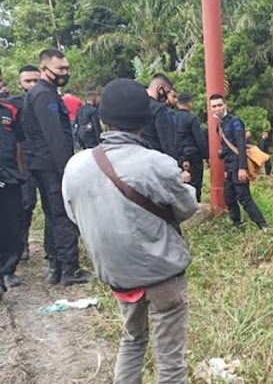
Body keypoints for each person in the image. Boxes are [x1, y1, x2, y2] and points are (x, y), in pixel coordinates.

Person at [62, 78, 197, 383]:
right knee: (170, 362)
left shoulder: (76, 165)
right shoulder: (157, 163)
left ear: (101, 119)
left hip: (118, 276)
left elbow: (74, 215)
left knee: (132, 340)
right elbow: (186, 208)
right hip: (162, 276)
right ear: (145, 120)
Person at [22, 49, 90, 285]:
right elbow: (54, 137)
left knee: (53, 214)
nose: (65, 73)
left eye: (67, 68)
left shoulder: (46, 93)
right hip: (51, 165)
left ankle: (56, 268)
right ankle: (69, 270)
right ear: (44, 69)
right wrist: (66, 170)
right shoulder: (44, 96)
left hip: (43, 163)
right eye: (61, 69)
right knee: (62, 215)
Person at [212, 93, 268, 229]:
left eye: (219, 105)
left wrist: (242, 168)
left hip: (238, 165)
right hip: (229, 167)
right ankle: (237, 224)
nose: (217, 108)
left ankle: (263, 225)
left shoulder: (235, 121)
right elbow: (226, 149)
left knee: (244, 197)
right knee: (229, 197)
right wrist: (225, 169)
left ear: (225, 105)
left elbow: (241, 145)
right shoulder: (219, 126)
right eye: (214, 106)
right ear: (211, 108)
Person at [8, 65, 41, 266]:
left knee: (37, 203)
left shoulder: (46, 101)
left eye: (35, 80)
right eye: (28, 81)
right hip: (20, 161)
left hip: (42, 158)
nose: (32, 85)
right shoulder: (12, 106)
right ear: (19, 83)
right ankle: (20, 245)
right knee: (24, 202)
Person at [0, 97, 24, 297]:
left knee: (11, 227)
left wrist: (20, 172)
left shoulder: (10, 111)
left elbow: (18, 143)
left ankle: (8, 269)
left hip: (9, 176)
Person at [177, 93, 208, 202]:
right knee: (195, 185)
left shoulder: (172, 117)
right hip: (193, 156)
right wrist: (206, 155)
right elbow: (200, 140)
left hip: (178, 156)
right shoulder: (192, 119)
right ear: (189, 103)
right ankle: (196, 208)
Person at [142, 73, 179, 160]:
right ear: (160, 89)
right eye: (166, 92)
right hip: (157, 159)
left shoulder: (136, 104)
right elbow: (167, 143)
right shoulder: (159, 109)